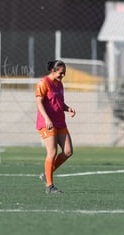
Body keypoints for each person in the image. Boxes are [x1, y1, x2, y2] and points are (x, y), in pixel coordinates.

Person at [36, 60, 76, 194]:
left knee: (68, 151)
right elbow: (39, 102)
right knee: (52, 152)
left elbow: (58, 102)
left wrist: (67, 108)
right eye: (61, 73)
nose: (63, 75)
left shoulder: (59, 84)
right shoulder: (43, 83)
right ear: (53, 71)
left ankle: (47, 173)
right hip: (47, 123)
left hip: (60, 122)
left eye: (64, 73)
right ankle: (49, 186)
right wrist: (47, 119)